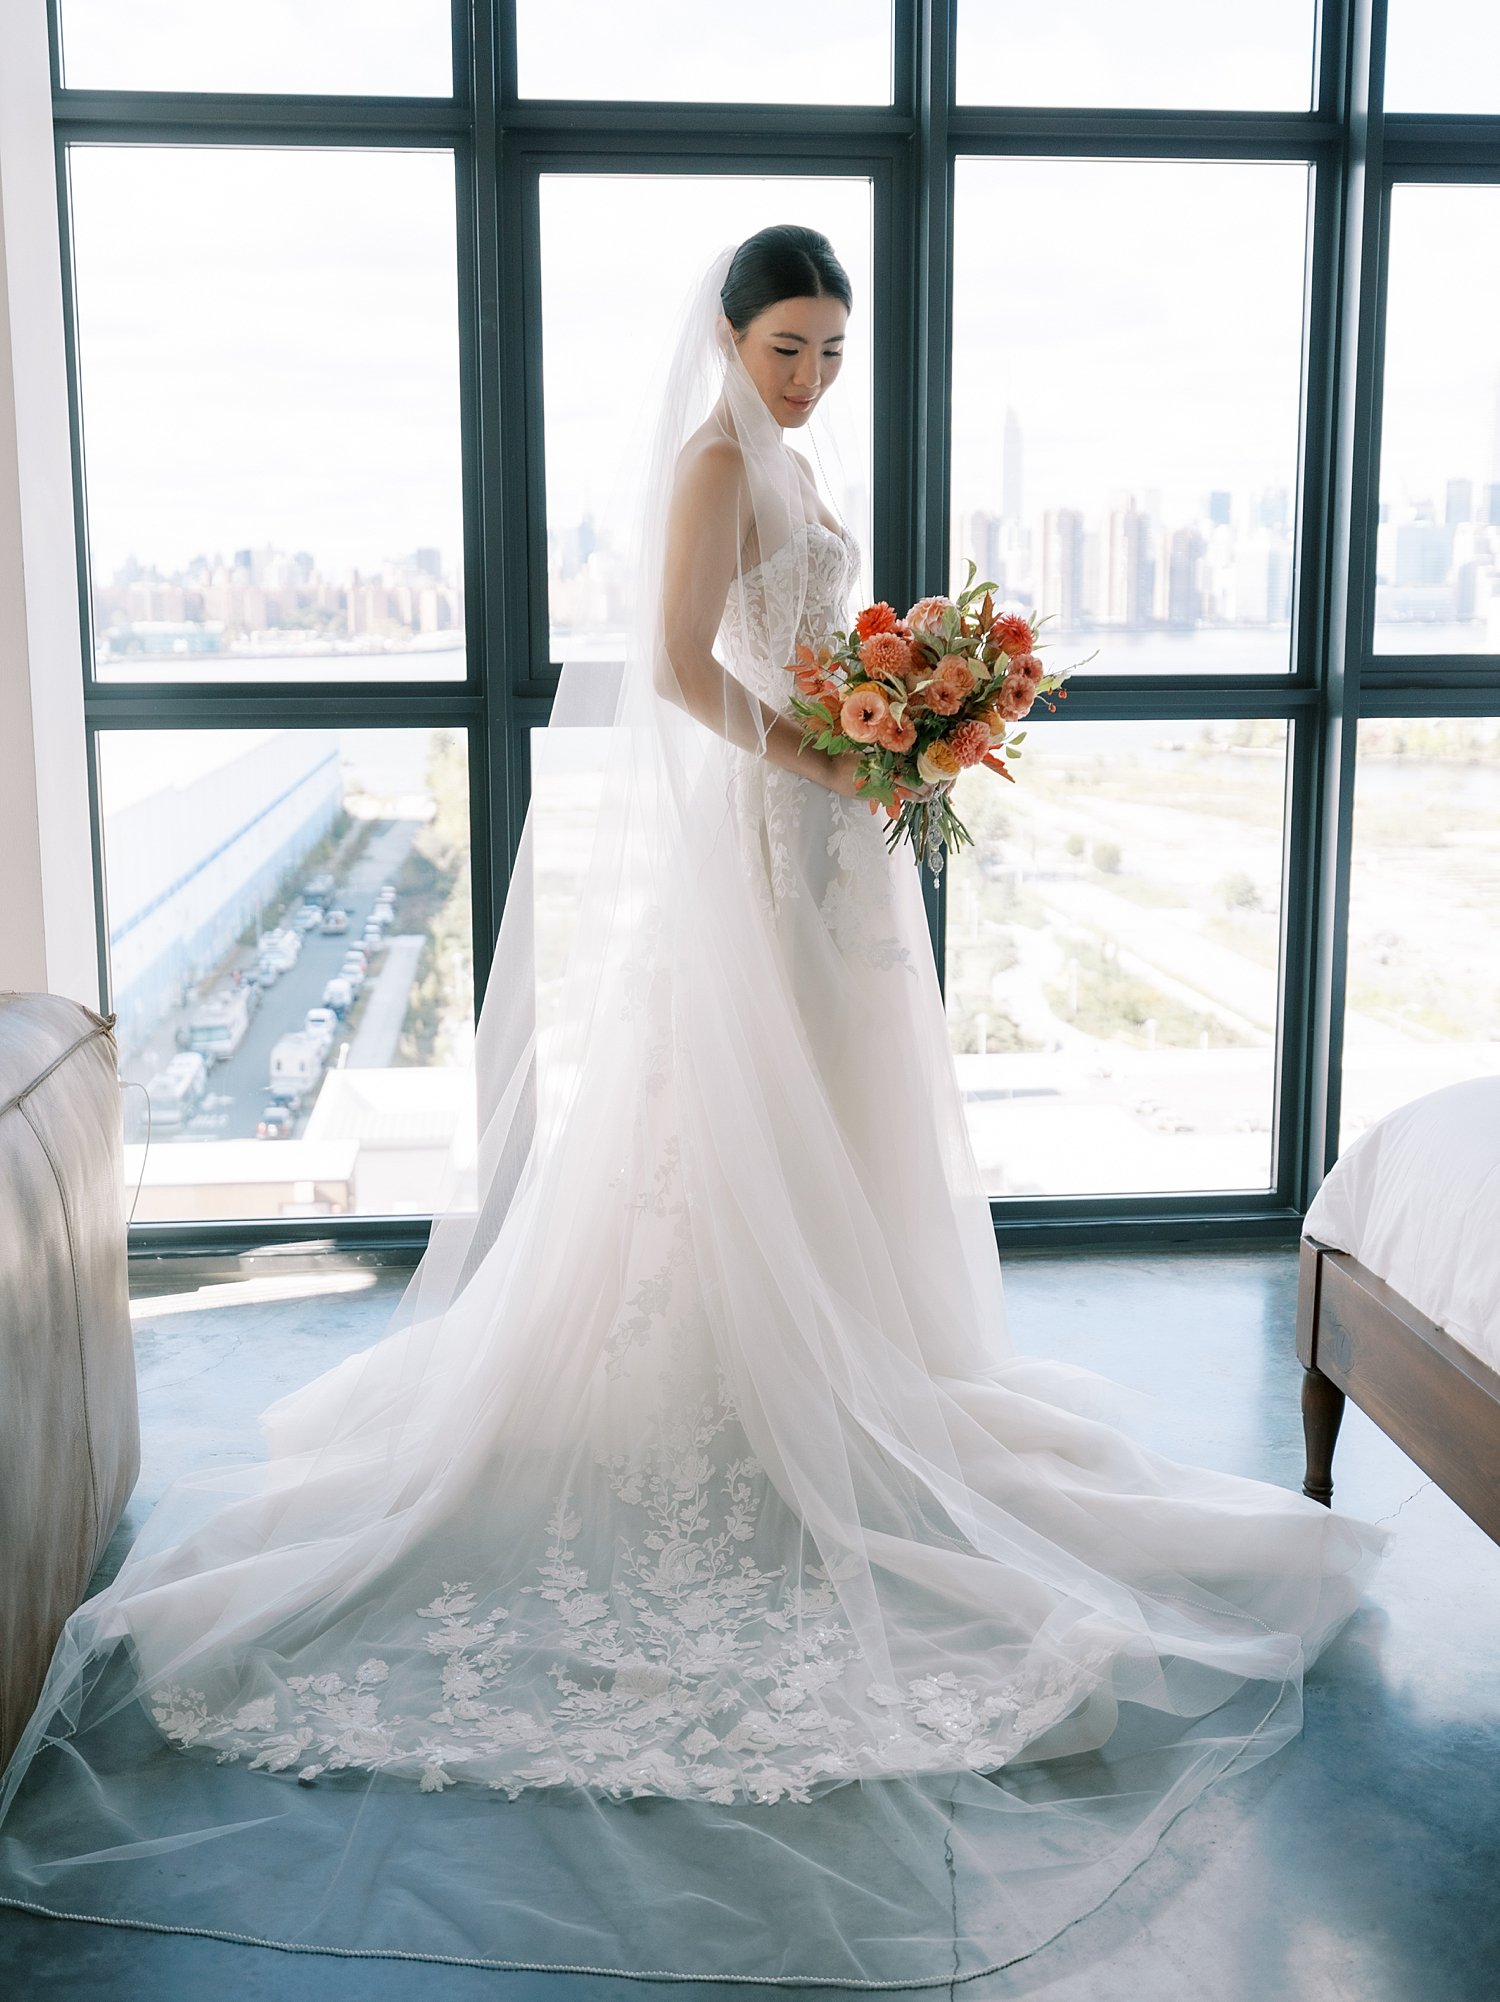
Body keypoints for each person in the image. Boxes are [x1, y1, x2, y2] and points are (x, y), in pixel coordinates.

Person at [0, 227, 1384, 1988]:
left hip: (829, 840)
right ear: (727, 334)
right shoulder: (715, 461)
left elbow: (809, 643)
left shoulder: (787, 459)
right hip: (762, 840)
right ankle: (749, 1389)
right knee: (724, 1138)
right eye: (786, 344)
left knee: (841, 1128)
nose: (807, 376)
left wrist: (914, 711)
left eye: (827, 352)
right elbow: (673, 666)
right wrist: (846, 750)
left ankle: (851, 1367)